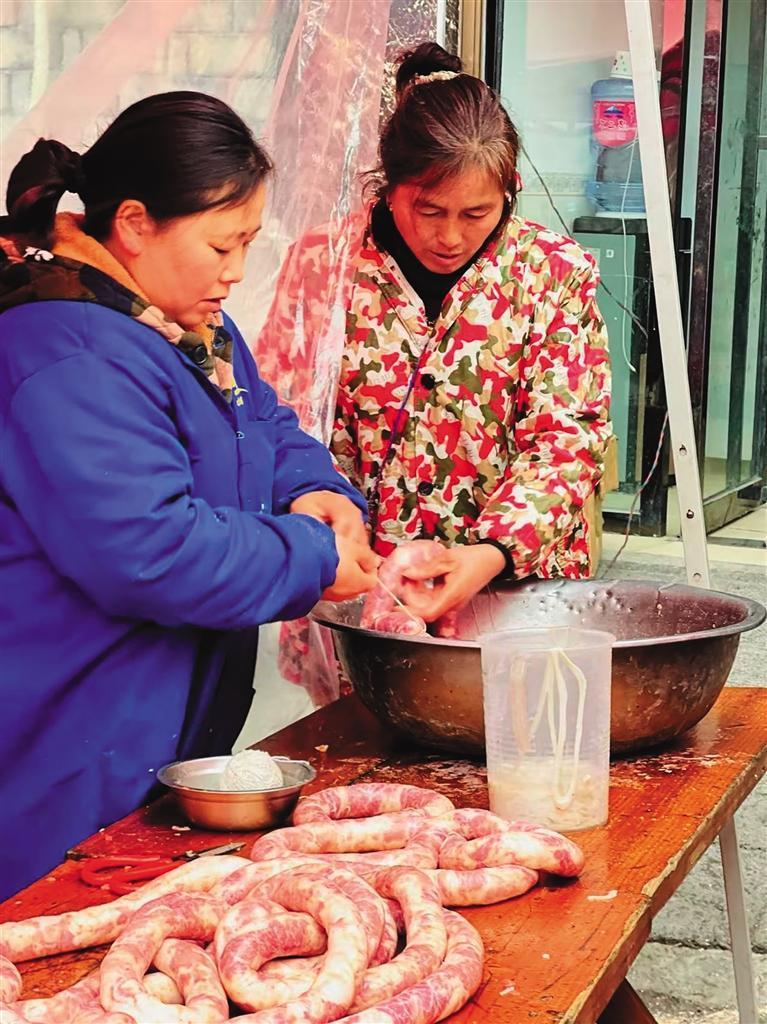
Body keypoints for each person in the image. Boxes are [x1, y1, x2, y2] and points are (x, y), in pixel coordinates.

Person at [0, 91, 378, 898]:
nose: (236, 270)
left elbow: (261, 423)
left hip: (150, 736)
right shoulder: (67, 350)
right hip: (62, 744)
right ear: (134, 224)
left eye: (247, 243)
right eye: (220, 244)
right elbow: (150, 551)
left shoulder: (185, 324)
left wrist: (315, 490)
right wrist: (312, 557)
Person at [257, 42, 611, 668]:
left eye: (477, 213)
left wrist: (490, 553)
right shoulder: (323, 266)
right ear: (389, 186)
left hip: (511, 595)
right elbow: (281, 418)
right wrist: (325, 530)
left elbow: (567, 438)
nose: (449, 236)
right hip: (362, 594)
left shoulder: (551, 273)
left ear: (510, 191)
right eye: (428, 209)